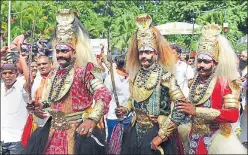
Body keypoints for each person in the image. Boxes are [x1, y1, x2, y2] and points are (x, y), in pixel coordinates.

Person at [23, 9, 112, 154]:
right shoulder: (55, 74)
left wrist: (93, 119)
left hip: (77, 134)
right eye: (58, 51)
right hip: (53, 133)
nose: (60, 55)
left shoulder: (84, 72)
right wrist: (40, 104)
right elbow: (54, 102)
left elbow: (104, 93)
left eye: (64, 51)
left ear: (74, 52)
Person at [115, 14, 187, 154]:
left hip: (157, 133)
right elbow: (134, 99)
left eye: (148, 52)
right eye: (141, 52)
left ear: (155, 54)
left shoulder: (165, 76)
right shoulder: (136, 75)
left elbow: (181, 106)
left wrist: (162, 135)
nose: (143, 56)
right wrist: (125, 108)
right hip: (134, 133)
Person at [176, 23, 247, 154]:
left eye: (206, 61)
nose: (201, 65)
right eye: (199, 60)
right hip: (193, 139)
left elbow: (233, 115)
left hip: (214, 141)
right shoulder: (194, 81)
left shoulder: (225, 83)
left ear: (216, 62)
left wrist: (196, 111)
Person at [1, 54, 29, 154]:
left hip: (17, 139)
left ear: (16, 74)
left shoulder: (22, 87)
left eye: (10, 73)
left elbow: (29, 80)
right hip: (2, 138)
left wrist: (22, 61)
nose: (7, 76)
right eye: (4, 73)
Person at [104, 54, 131, 143]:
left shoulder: (130, 77)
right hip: (113, 118)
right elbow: (104, 99)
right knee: (114, 145)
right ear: (123, 66)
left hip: (129, 117)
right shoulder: (110, 79)